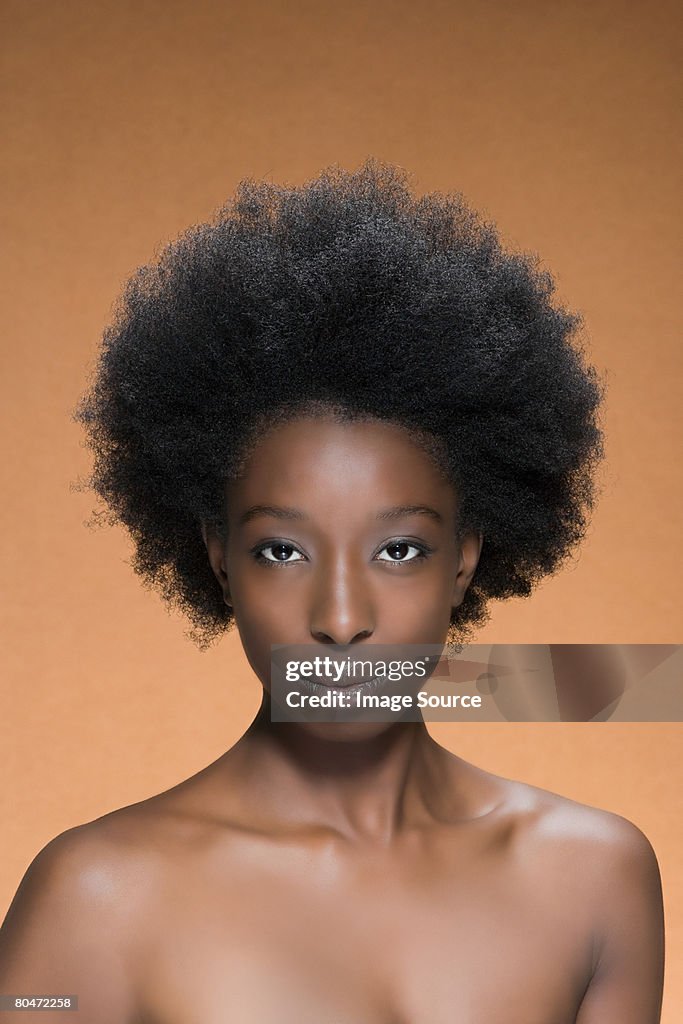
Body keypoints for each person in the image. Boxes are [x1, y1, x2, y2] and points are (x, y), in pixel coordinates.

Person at [0, 159, 664, 1022]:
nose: (341, 620)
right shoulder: (98, 897)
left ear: (463, 558)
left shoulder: (592, 876)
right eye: (281, 550)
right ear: (217, 558)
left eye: (397, 550)